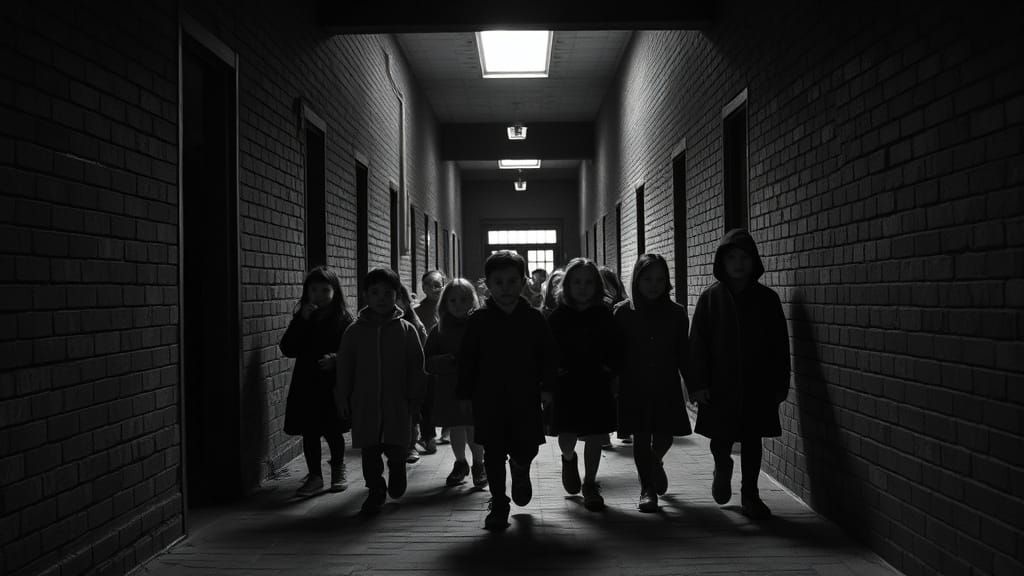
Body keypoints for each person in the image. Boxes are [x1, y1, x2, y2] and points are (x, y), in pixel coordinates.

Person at [688, 229, 790, 520]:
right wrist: (698, 384)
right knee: (720, 438)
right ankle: (722, 466)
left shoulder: (767, 299)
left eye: (744, 257)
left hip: (757, 383)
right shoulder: (710, 299)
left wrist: (780, 384)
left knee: (752, 439)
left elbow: (779, 345)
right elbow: (698, 345)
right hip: (720, 384)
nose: (738, 263)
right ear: (722, 261)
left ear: (753, 260)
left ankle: (750, 495)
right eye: (731, 257)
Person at [458, 250, 558, 530]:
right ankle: (499, 502)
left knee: (526, 446)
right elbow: (467, 360)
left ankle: (521, 466)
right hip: (488, 397)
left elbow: (549, 356)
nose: (506, 288)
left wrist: (548, 388)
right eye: (498, 282)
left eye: (512, 281)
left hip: (525, 395)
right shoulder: (478, 320)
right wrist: (464, 394)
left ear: (524, 281)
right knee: (493, 451)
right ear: (487, 284)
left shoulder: (533, 319)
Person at [336, 268, 427, 514]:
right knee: (370, 451)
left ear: (397, 296)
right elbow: (345, 366)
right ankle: (376, 489)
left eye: (388, 293)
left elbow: (417, 366)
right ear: (366, 295)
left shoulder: (407, 330)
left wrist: (416, 398)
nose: (381, 298)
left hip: (398, 402)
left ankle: (397, 470)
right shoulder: (354, 332)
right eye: (375, 292)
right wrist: (342, 396)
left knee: (397, 447)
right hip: (365, 404)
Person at [613, 254, 691, 513]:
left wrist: (694, 383)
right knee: (641, 436)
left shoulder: (676, 313)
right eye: (647, 278)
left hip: (665, 383)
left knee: (665, 436)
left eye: (660, 279)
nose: (653, 284)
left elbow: (684, 352)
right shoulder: (623, 312)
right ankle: (647, 489)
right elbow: (615, 351)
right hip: (634, 385)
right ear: (637, 279)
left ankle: (655, 462)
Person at [547, 258, 620, 511]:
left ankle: (590, 482)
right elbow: (548, 351)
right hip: (567, 384)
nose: (583, 287)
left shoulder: (604, 314)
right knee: (566, 436)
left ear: (597, 286)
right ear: (567, 285)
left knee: (595, 436)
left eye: (589, 282)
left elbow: (615, 345)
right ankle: (569, 459)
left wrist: (611, 369)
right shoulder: (557, 317)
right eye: (577, 281)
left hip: (596, 382)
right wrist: (552, 373)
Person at [280, 266, 353, 496]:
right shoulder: (303, 317)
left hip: (332, 384)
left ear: (335, 292)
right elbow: (288, 348)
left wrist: (336, 360)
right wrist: (302, 320)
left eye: (325, 290)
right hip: (306, 382)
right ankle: (314, 476)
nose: (319, 295)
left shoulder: (343, 319)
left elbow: (352, 352)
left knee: (333, 430)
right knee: (310, 431)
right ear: (306, 291)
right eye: (314, 290)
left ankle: (338, 470)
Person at [424, 278, 487, 488]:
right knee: (457, 427)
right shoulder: (439, 329)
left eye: (464, 299)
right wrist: (444, 362)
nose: (458, 304)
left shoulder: (480, 327)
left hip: (476, 387)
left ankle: (479, 464)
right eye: (453, 300)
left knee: (475, 427)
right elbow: (427, 360)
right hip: (450, 386)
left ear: (473, 301)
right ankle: (461, 463)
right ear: (445, 303)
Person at [415, 270, 446, 453]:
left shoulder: (450, 308)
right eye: (429, 285)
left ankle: (448, 431)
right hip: (424, 363)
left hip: (444, 362)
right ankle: (428, 436)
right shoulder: (417, 311)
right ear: (423, 287)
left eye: (437, 284)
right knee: (426, 400)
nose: (434, 288)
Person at [398, 283, 429, 464]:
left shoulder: (414, 324)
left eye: (396, 297)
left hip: (410, 377)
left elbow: (422, 354)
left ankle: (410, 446)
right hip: (387, 378)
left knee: (411, 415)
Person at [599, 265, 629, 447]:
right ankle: (603, 435)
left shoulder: (623, 305)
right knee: (605, 396)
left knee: (620, 394)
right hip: (603, 357)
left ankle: (624, 430)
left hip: (618, 356)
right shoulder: (595, 304)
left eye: (607, 284)